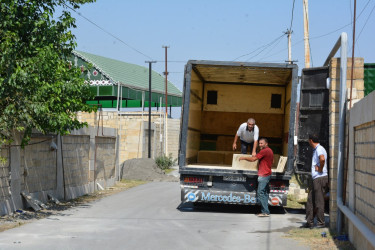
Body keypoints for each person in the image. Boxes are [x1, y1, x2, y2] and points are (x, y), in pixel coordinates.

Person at [239, 138, 273, 217]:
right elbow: (273, 161)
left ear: (266, 144)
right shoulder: (270, 151)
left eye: (262, 143)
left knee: (260, 193)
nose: (260, 145)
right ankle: (265, 211)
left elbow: (253, 159)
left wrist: (243, 157)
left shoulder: (264, 151)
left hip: (263, 175)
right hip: (267, 174)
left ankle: (265, 212)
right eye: (259, 143)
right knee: (264, 193)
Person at [303, 134, 329, 229]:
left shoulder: (319, 149)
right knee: (310, 200)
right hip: (316, 178)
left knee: (319, 201)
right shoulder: (317, 149)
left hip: (320, 178)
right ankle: (309, 222)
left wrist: (320, 168)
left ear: (311, 141)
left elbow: (322, 159)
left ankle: (321, 223)